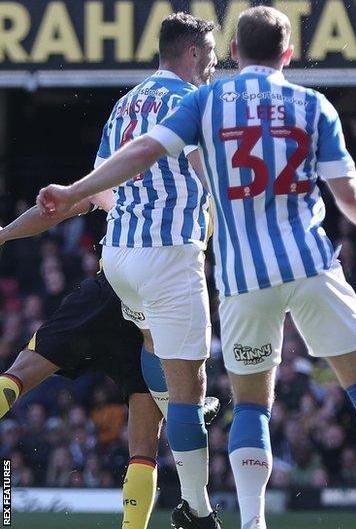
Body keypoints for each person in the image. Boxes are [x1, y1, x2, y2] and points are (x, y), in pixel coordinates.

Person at [38, 6, 356, 529]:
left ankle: (252, 522)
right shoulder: (313, 105)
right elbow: (347, 190)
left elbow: (144, 151)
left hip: (243, 281)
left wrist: (74, 190)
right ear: (289, 54)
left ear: (236, 53)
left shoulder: (206, 100)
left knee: (250, 409)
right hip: (311, 265)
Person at [10, 12, 220, 529]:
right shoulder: (191, 102)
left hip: (119, 258)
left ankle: (178, 421)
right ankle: (199, 509)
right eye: (211, 57)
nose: (215, 67)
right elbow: (204, 171)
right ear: (192, 53)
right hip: (169, 256)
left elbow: (98, 189)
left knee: (152, 346)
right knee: (188, 393)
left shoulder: (126, 104)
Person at [0, 195, 220, 529]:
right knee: (144, 445)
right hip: (159, 307)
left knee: (18, 375)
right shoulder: (207, 191)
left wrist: (4, 233)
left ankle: (185, 410)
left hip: (109, 291)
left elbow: (59, 206)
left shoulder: (128, 167)